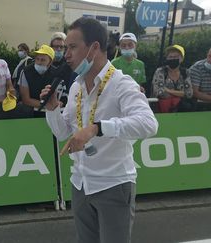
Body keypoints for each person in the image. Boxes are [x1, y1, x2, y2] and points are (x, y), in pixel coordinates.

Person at [40, 17, 158, 243]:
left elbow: (148, 123)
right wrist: (53, 108)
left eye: (72, 47)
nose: (66, 55)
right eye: (65, 48)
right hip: (81, 182)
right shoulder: (76, 86)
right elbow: (63, 132)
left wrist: (98, 128)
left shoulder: (121, 83)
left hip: (113, 183)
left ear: (94, 48)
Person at [152, 45, 193, 112]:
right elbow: (159, 92)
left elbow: (189, 93)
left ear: (182, 59)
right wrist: (180, 94)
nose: (173, 59)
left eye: (176, 57)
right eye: (170, 57)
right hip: (162, 111)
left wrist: (168, 90)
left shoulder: (185, 72)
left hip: (182, 110)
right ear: (167, 58)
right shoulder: (160, 71)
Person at [19, 44, 55, 117]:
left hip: (50, 114)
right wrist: (46, 105)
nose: (39, 62)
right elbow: (26, 99)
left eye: (43, 60)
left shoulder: (56, 73)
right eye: (37, 59)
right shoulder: (26, 72)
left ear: (50, 62)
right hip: (29, 113)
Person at [50, 32, 73, 106]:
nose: (59, 49)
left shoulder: (70, 65)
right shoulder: (45, 63)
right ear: (51, 47)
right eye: (56, 46)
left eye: (61, 47)